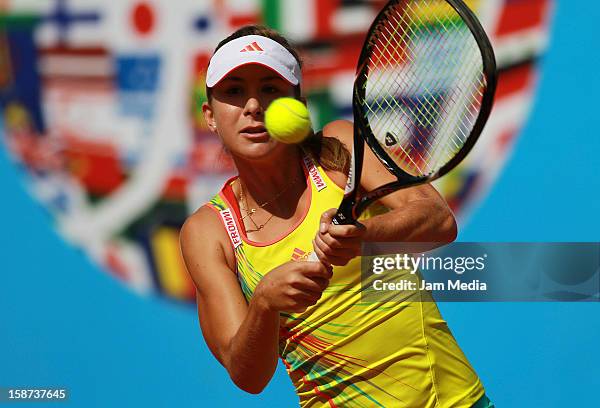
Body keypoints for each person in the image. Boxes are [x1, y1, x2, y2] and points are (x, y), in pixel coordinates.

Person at [180, 25, 494, 408]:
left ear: (298, 102)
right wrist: (265, 303)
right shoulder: (208, 231)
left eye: (269, 89)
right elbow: (247, 375)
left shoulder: (340, 148)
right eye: (233, 91)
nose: (252, 106)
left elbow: (438, 220)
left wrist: (365, 236)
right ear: (210, 116)